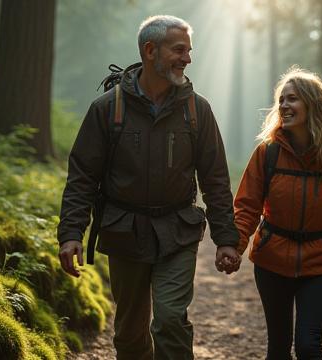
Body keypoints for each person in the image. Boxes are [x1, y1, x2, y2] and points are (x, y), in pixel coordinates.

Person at [57, 15, 240, 360]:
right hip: (125, 232)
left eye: (190, 50)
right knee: (129, 334)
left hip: (178, 231)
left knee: (170, 320)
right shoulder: (107, 109)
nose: (187, 58)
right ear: (149, 50)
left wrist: (226, 239)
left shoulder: (197, 110)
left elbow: (215, 179)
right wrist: (71, 234)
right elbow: (82, 177)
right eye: (179, 49)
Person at [233, 67, 322, 359]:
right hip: (271, 261)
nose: (283, 106)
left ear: (313, 105)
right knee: (279, 347)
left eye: (292, 99)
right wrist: (235, 248)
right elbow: (246, 207)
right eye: (281, 99)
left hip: (319, 264)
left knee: (309, 346)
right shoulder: (267, 153)